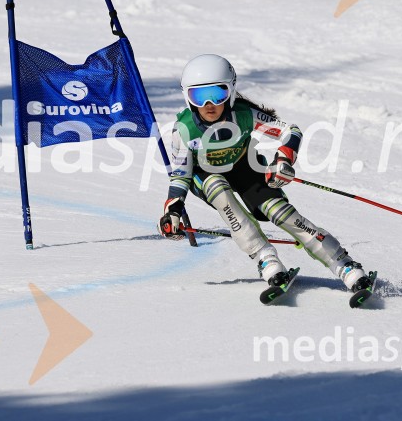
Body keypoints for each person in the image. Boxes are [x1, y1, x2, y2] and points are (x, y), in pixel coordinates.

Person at [158, 54, 373, 294]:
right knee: (218, 190)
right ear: (187, 97)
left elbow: (290, 132)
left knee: (279, 212)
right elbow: (181, 174)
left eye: (218, 94)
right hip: (205, 174)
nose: (209, 104)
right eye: (198, 96)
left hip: (243, 166)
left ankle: (343, 264)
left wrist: (284, 158)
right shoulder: (184, 129)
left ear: (231, 91)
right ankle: (265, 258)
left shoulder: (243, 115)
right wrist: (172, 210)